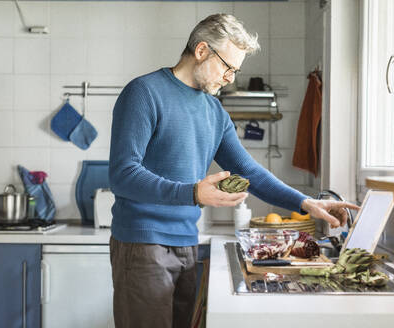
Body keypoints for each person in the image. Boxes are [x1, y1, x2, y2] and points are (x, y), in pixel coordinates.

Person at [108, 13, 360, 328]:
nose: (230, 78)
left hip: (187, 244)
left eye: (235, 71)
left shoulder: (214, 111)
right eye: (228, 67)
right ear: (201, 51)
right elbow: (122, 174)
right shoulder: (144, 93)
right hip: (142, 245)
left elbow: (246, 169)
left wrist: (307, 203)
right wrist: (193, 192)